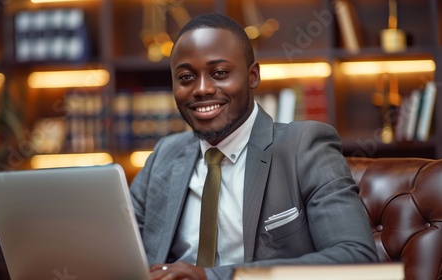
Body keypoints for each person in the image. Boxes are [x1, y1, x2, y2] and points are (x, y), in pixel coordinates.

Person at [129, 13, 378, 280]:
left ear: (253, 76)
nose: (201, 89)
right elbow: (116, 248)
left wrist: (211, 277)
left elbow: (355, 257)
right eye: (186, 77)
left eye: (220, 73)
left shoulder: (303, 146)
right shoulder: (164, 156)